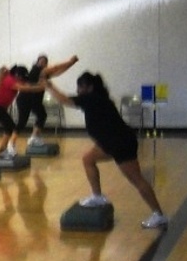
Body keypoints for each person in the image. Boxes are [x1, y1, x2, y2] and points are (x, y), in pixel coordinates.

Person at [46, 71, 168, 229]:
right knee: (88, 159)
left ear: (89, 87)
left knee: (137, 180)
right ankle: (97, 196)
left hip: (120, 144)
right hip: (111, 143)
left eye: (80, 87)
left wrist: (49, 86)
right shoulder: (96, 98)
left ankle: (159, 215)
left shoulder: (92, 99)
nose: (78, 91)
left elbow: (64, 100)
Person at [0, 65, 48, 166]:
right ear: (17, 75)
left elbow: (26, 85)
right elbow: (24, 88)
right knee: (8, 127)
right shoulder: (10, 79)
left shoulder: (15, 79)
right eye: (22, 78)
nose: (23, 81)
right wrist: (41, 87)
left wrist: (39, 83)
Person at [17, 54, 78, 148]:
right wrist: (70, 62)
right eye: (41, 61)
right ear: (37, 62)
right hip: (26, 99)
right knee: (23, 122)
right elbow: (55, 67)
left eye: (44, 62)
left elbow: (58, 72)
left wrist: (71, 64)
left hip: (33, 100)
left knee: (41, 115)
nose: (42, 63)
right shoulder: (37, 70)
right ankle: (15, 140)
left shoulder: (43, 73)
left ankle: (33, 138)